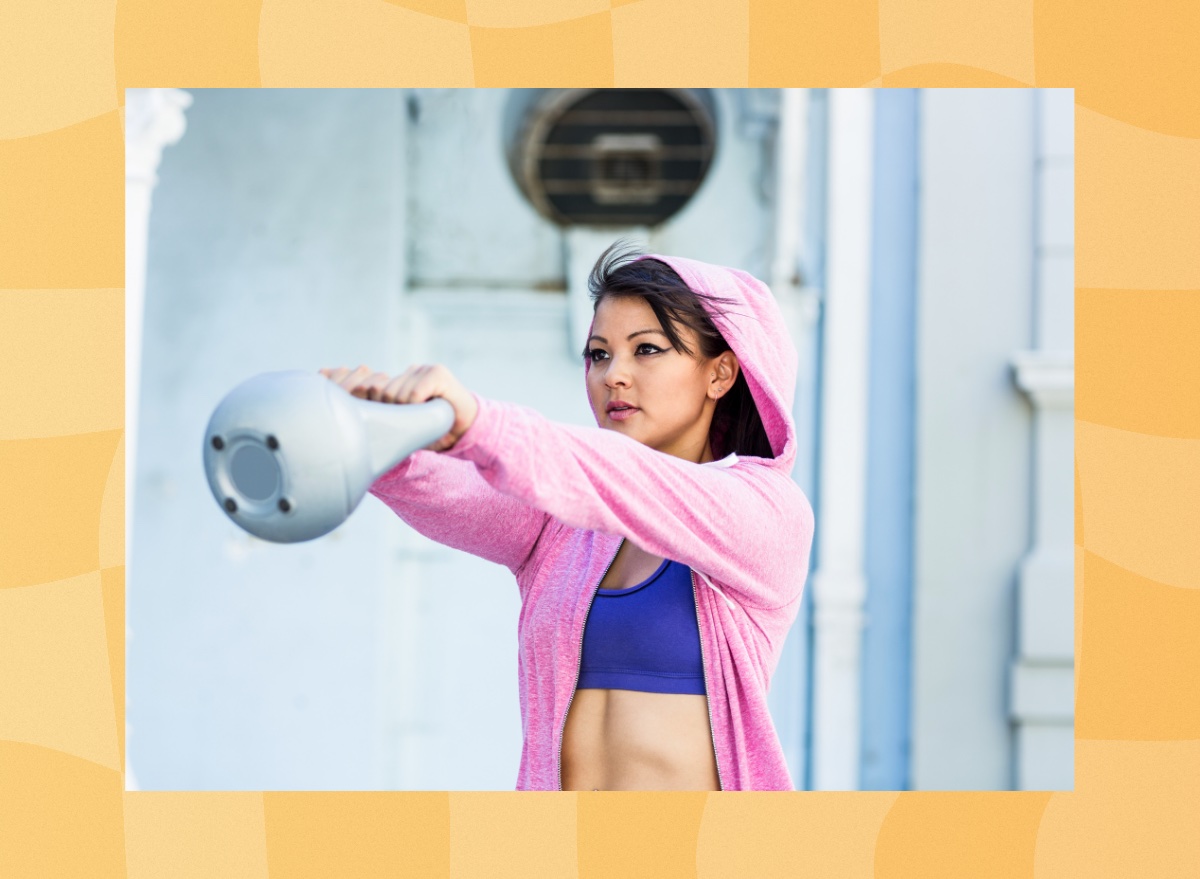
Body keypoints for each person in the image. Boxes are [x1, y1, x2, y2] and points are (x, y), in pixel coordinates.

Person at [319, 241, 815, 791]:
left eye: (645, 349)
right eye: (599, 354)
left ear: (719, 375)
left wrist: (479, 421)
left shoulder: (766, 513)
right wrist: (371, 439)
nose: (613, 376)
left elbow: (629, 480)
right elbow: (458, 491)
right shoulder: (567, 527)